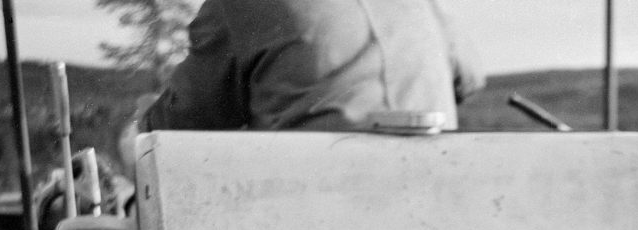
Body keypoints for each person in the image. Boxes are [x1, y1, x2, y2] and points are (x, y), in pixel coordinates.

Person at [121, 0, 482, 166]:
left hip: (308, 209)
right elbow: (469, 77)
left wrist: (137, 127)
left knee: (139, 146)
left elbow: (183, 121)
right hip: (434, 192)